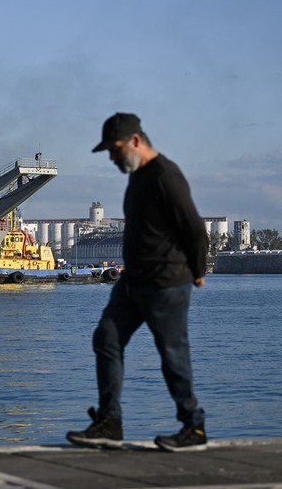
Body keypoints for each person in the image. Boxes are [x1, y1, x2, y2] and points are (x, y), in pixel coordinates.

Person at [66, 112, 208, 452]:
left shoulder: (165, 176)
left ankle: (194, 428)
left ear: (135, 141)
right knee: (106, 338)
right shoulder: (138, 177)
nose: (112, 158)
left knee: (172, 353)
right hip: (132, 282)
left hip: (167, 282)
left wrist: (198, 270)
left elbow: (194, 228)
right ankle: (109, 423)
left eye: (114, 150)